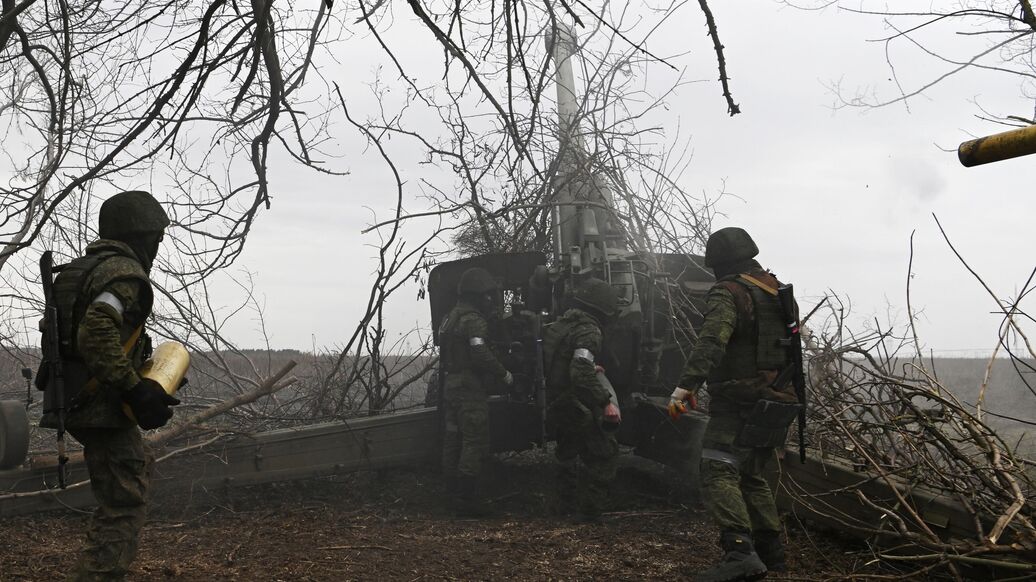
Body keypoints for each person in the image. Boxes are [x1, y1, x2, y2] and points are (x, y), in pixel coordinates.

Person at [39, 190, 181, 581]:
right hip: (99, 404)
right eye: (156, 236)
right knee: (123, 503)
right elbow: (96, 330)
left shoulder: (80, 270)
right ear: (139, 234)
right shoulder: (122, 274)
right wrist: (134, 387)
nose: (158, 245)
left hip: (71, 397)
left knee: (127, 480)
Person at [669, 227, 800, 581]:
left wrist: (686, 387)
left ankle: (740, 552)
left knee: (716, 468)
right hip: (780, 399)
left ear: (719, 263)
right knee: (751, 474)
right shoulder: (778, 291)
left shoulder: (730, 292)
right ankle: (772, 554)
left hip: (741, 398)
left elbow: (712, 340)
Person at [542, 277, 621, 521]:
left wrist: (587, 367)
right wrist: (605, 402)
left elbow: (568, 362)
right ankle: (590, 512)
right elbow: (579, 369)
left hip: (559, 400)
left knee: (566, 451)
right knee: (605, 453)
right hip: (577, 401)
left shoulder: (560, 326)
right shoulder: (588, 330)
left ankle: (560, 507)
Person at [437, 267, 512, 516]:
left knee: (453, 438)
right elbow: (479, 353)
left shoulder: (449, 317)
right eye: (486, 295)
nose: (489, 300)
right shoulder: (474, 320)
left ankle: (450, 494)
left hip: (450, 385)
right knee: (474, 440)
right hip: (469, 387)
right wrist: (504, 373)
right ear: (477, 294)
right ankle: (466, 501)